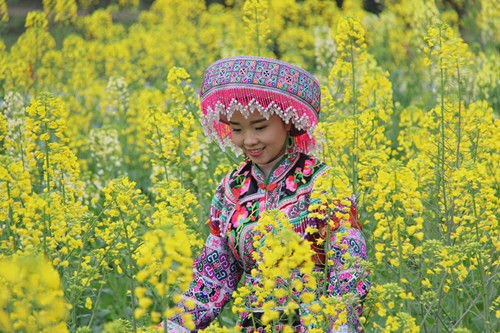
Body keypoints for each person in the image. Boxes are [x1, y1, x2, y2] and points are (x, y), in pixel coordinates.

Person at [162, 56, 370, 332]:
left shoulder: (323, 182)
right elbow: (213, 276)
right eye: (237, 129)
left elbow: (350, 267)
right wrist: (175, 326)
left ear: (287, 121)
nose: (248, 140)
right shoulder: (231, 189)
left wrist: (341, 326)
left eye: (260, 127)